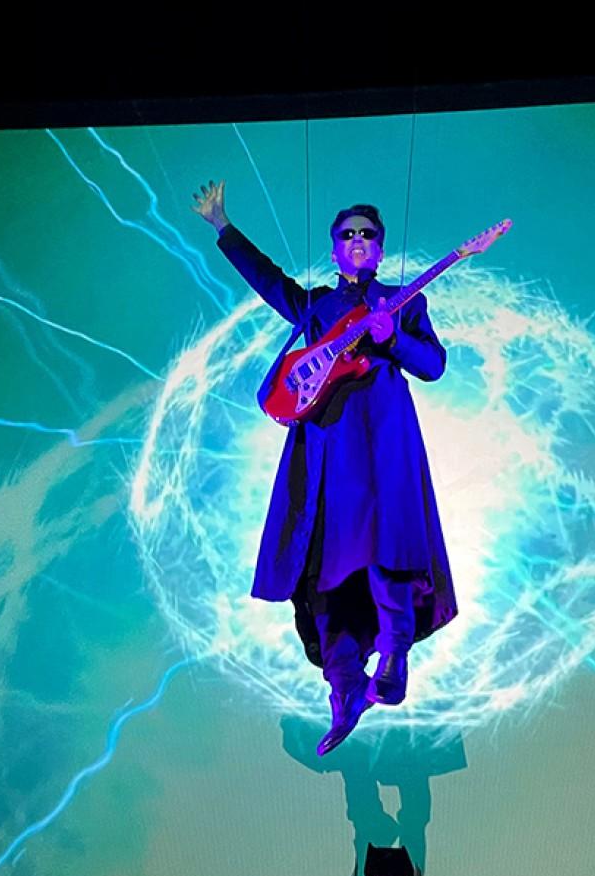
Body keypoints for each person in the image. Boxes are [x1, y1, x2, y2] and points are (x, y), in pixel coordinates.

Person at [193, 180, 457, 754]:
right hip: (325, 451)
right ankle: (344, 693)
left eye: (367, 234)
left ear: (380, 249)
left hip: (383, 444)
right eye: (347, 235)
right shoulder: (316, 307)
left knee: (389, 552)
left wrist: (394, 340)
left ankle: (393, 656)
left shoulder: (405, 301)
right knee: (324, 571)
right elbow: (269, 282)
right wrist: (223, 227)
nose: (357, 241)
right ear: (335, 250)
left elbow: (434, 364)